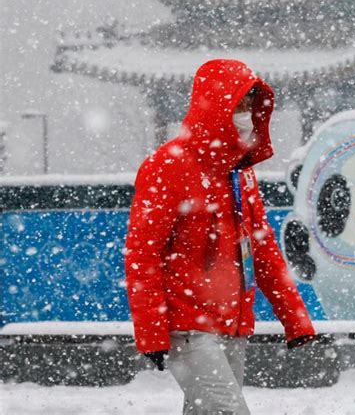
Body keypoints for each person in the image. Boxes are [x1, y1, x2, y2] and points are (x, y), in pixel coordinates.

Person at [125, 59, 316, 415]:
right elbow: (142, 254)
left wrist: (294, 319)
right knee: (229, 411)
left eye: (250, 106)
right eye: (239, 105)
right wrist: (151, 332)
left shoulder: (240, 174)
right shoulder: (167, 166)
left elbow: (263, 248)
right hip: (188, 325)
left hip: (232, 323)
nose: (246, 116)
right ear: (214, 106)